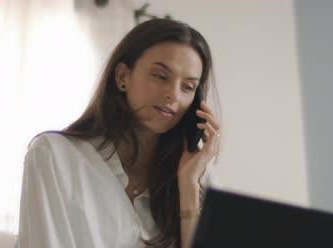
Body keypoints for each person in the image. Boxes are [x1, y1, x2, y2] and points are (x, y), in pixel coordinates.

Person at [15, 18, 222, 248]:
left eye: (188, 87)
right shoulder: (53, 155)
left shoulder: (198, 182)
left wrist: (189, 185)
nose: (173, 94)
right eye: (160, 76)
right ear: (123, 76)